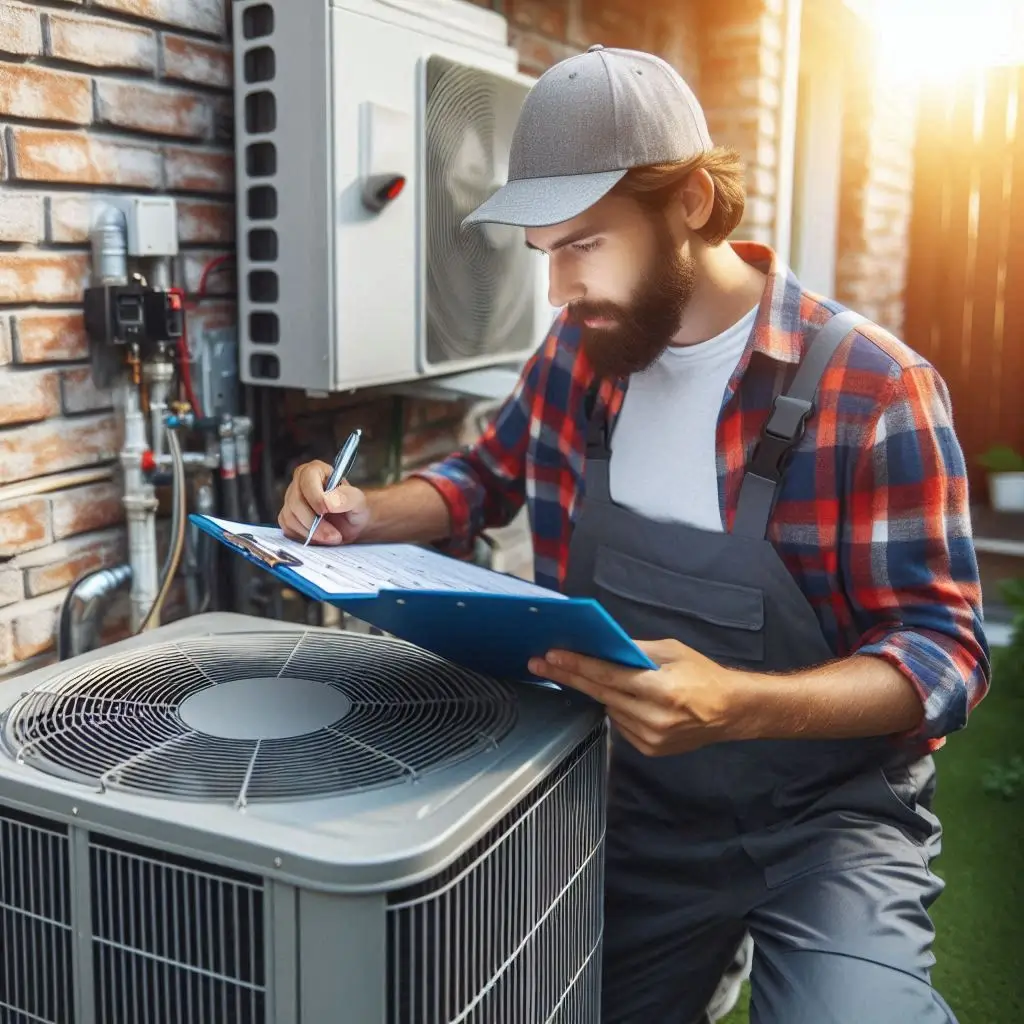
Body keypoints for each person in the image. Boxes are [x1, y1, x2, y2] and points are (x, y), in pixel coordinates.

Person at [279, 44, 990, 1024]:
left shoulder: (873, 389)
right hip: (634, 799)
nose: (559, 292)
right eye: (544, 253)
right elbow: (486, 477)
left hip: (827, 815)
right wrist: (361, 513)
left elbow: (942, 653)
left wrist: (738, 704)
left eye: (584, 244)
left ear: (691, 200)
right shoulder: (582, 353)